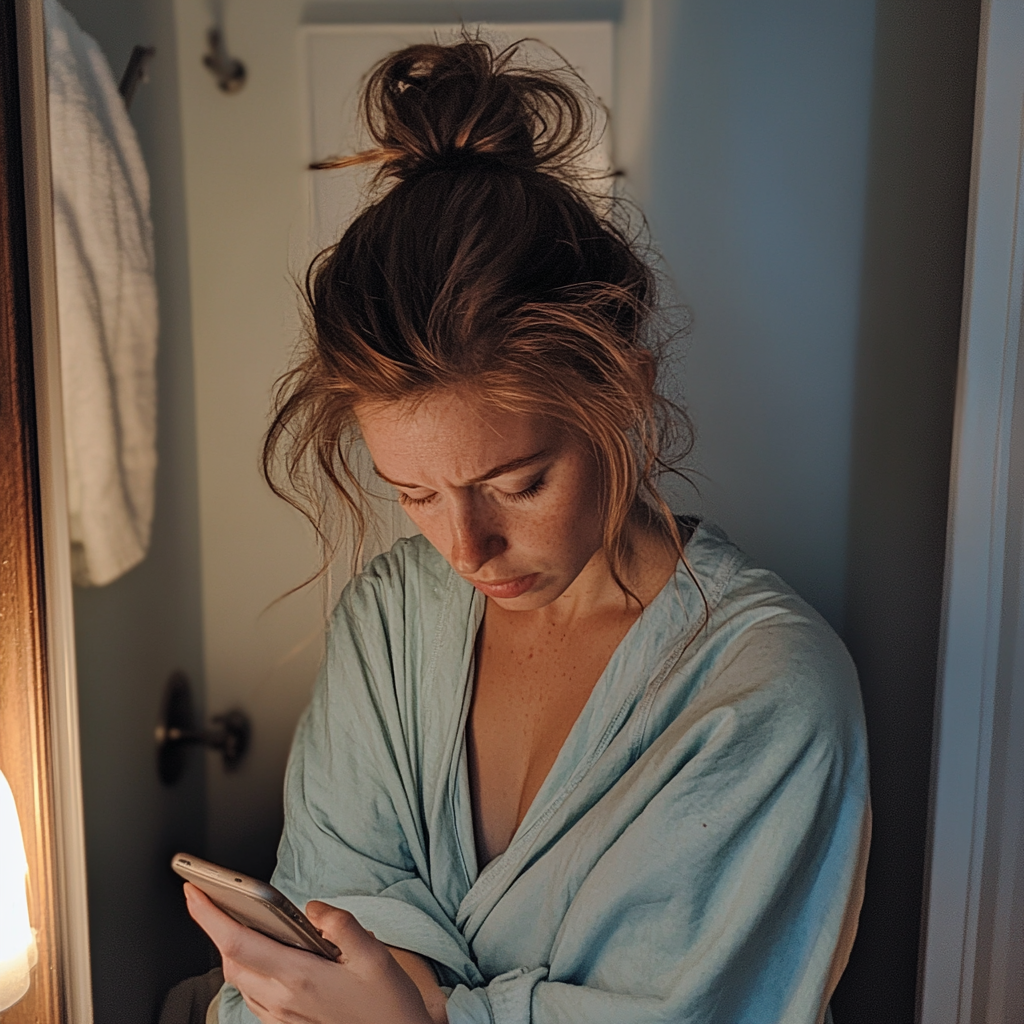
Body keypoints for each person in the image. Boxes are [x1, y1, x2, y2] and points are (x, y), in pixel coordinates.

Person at [185, 38, 870, 1024]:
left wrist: (410, 1007)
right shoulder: (393, 615)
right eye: (412, 492)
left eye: (516, 481)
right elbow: (314, 937)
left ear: (622, 391)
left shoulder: (763, 693)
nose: (464, 547)